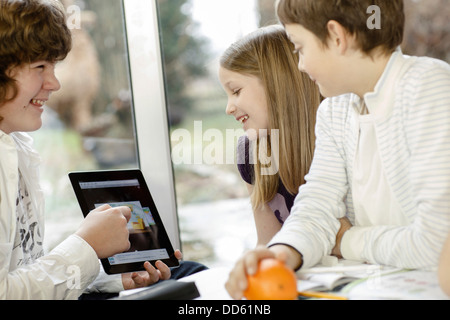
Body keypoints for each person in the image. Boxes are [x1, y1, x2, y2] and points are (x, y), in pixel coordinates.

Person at [226, 0, 450, 300]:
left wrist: (346, 240)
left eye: (300, 48)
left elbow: (437, 243)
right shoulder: (335, 111)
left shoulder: (429, 88)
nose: (301, 65)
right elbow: (316, 206)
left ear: (336, 37)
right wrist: (282, 251)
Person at [0, 0, 205, 300]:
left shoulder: (16, 146)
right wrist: (86, 244)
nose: (54, 83)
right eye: (39, 67)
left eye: (54, 66)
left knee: (186, 272)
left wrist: (112, 279)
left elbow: (27, 273)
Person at [218, 25, 321, 246]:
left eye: (236, 91)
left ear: (277, 83)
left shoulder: (336, 139)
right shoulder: (250, 152)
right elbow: (267, 244)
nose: (229, 108)